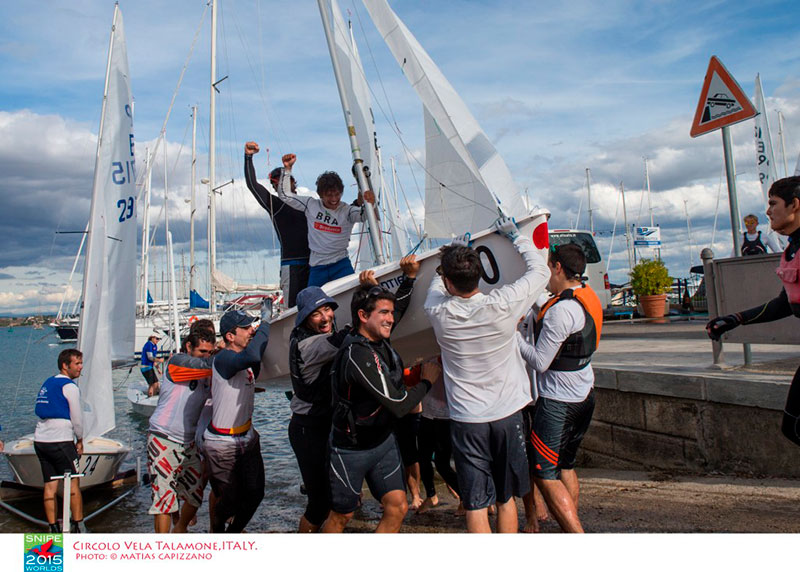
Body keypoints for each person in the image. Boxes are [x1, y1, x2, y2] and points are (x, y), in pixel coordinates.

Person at [423, 216, 550, 533]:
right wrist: (515, 237)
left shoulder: (438, 312)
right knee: (506, 498)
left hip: (467, 420)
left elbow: (438, 285)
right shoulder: (504, 304)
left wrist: (452, 256)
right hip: (507, 414)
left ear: (450, 282)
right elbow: (541, 272)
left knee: (477, 502)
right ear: (480, 276)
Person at [287, 255, 419, 532]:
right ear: (304, 319)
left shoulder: (331, 335)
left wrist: (384, 292)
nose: (325, 318)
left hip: (333, 424)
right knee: (319, 504)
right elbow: (365, 328)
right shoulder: (309, 346)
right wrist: (370, 293)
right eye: (316, 313)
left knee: (346, 504)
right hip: (309, 429)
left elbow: (377, 322)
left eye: (327, 310)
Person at [322, 276, 440, 533]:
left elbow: (398, 308)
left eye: (390, 313)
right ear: (363, 316)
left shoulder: (379, 338)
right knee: (342, 515)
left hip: (382, 442)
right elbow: (399, 405)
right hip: (350, 450)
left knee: (398, 507)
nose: (391, 319)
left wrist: (408, 280)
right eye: (384, 313)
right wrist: (427, 383)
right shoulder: (358, 354)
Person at [516, 243, 603, 533]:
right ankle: (570, 519)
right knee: (565, 465)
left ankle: (575, 535)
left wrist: (513, 337)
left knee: (544, 472)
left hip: (558, 403)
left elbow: (540, 362)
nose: (546, 273)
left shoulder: (560, 311)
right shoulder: (585, 296)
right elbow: (548, 305)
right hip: (584, 394)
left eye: (549, 266)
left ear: (557, 268)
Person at [707, 176, 800, 447]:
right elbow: (786, 302)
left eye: (773, 204)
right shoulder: (792, 248)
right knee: (792, 427)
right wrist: (736, 319)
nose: (768, 211)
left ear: (794, 205)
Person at [203, 300, 271, 533]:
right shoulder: (223, 358)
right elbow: (253, 355)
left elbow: (256, 358)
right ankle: (216, 529)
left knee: (255, 494)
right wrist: (267, 321)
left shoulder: (246, 359)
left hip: (247, 438)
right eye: (246, 327)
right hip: (222, 444)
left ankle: (230, 537)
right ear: (230, 336)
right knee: (231, 500)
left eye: (252, 326)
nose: (252, 330)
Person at [147, 330, 216, 533]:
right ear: (188, 347)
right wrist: (224, 355)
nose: (206, 356)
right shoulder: (178, 362)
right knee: (164, 500)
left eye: (210, 352)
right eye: (202, 350)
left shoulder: (206, 373)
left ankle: (179, 529)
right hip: (162, 437)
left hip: (188, 442)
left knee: (196, 494)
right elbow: (206, 365)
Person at [275, 153, 377, 288]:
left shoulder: (347, 210)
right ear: (320, 194)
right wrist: (287, 170)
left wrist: (371, 203)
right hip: (317, 267)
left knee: (355, 296)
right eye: (329, 195)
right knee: (313, 302)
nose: (334, 199)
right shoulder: (311, 204)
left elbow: (365, 216)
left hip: (341, 264)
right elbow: (285, 195)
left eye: (337, 194)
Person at [244, 141, 310, 307]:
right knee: (293, 311)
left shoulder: (308, 204)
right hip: (292, 266)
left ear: (293, 182)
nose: (282, 185)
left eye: (286, 181)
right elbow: (252, 185)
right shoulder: (275, 205)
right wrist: (248, 157)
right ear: (274, 186)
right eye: (277, 183)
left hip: (315, 263)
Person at [33, 348, 86, 533]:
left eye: (81, 363)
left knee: (50, 485)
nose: (80, 367)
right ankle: (78, 526)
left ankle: (53, 528)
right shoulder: (70, 386)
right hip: (61, 440)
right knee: (73, 483)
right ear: (65, 366)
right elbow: (77, 418)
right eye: (77, 364)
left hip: (41, 439)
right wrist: (80, 440)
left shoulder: (48, 382)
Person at [415, 358, 463, 515]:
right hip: (427, 412)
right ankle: (431, 496)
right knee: (423, 458)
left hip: (445, 415)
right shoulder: (425, 349)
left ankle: (465, 498)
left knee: (442, 463)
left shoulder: (446, 346)